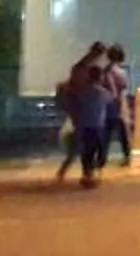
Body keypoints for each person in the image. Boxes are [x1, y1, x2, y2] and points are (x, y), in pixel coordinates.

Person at [56, 47, 114, 188]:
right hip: (92, 124)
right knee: (91, 150)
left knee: (82, 151)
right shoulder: (98, 91)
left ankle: (84, 174)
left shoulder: (83, 88)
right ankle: (88, 174)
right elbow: (111, 96)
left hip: (82, 122)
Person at [103, 44, 134, 165]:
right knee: (122, 133)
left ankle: (102, 157)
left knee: (106, 133)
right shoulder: (120, 71)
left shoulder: (106, 71)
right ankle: (126, 157)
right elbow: (122, 89)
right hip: (118, 103)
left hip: (107, 104)